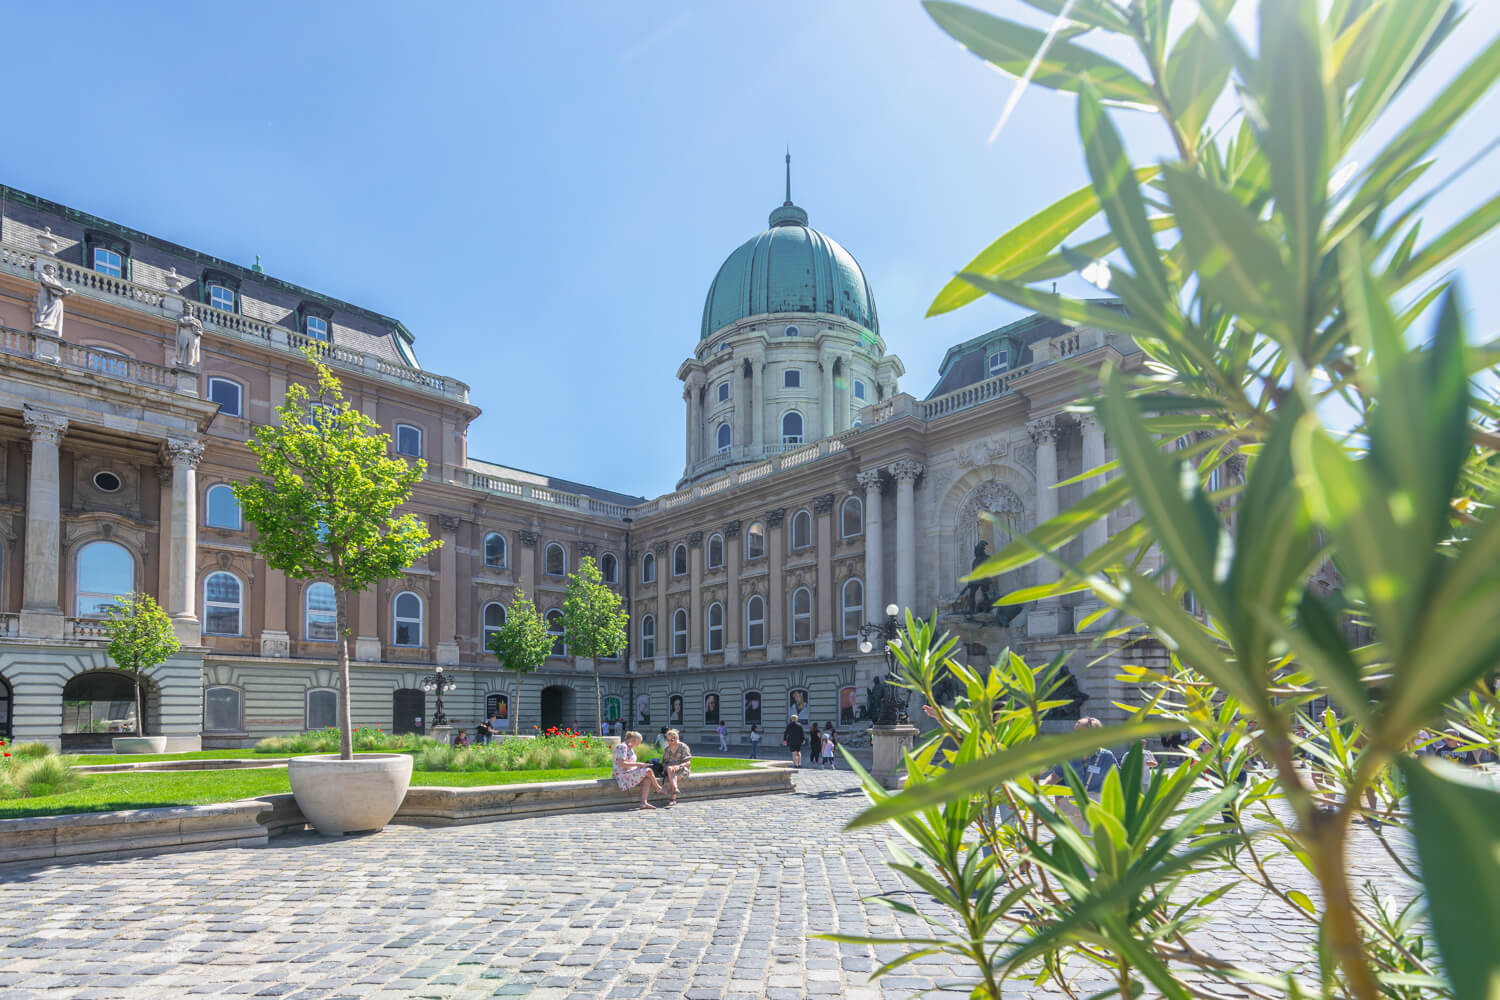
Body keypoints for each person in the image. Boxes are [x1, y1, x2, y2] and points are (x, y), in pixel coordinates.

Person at [1045, 717, 1118, 793]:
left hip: (1096, 804)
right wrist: (1037, 790)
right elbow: (1054, 777)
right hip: (1072, 803)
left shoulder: (1106, 757)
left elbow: (1120, 781)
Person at [613, 730, 663, 809]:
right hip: (622, 775)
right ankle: (658, 788)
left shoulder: (630, 748)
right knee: (648, 771)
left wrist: (640, 766)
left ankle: (644, 803)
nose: (638, 744)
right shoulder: (622, 747)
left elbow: (630, 763)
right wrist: (638, 764)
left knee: (648, 779)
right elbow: (621, 764)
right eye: (638, 742)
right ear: (633, 740)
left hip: (629, 772)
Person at [662, 729, 693, 806]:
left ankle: (673, 798)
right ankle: (675, 792)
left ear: (676, 738)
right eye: (668, 740)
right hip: (670, 769)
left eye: (672, 740)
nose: (670, 742)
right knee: (670, 769)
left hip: (682, 768)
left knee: (673, 775)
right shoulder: (667, 749)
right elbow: (664, 762)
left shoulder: (683, 746)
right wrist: (669, 767)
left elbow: (688, 762)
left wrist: (679, 766)